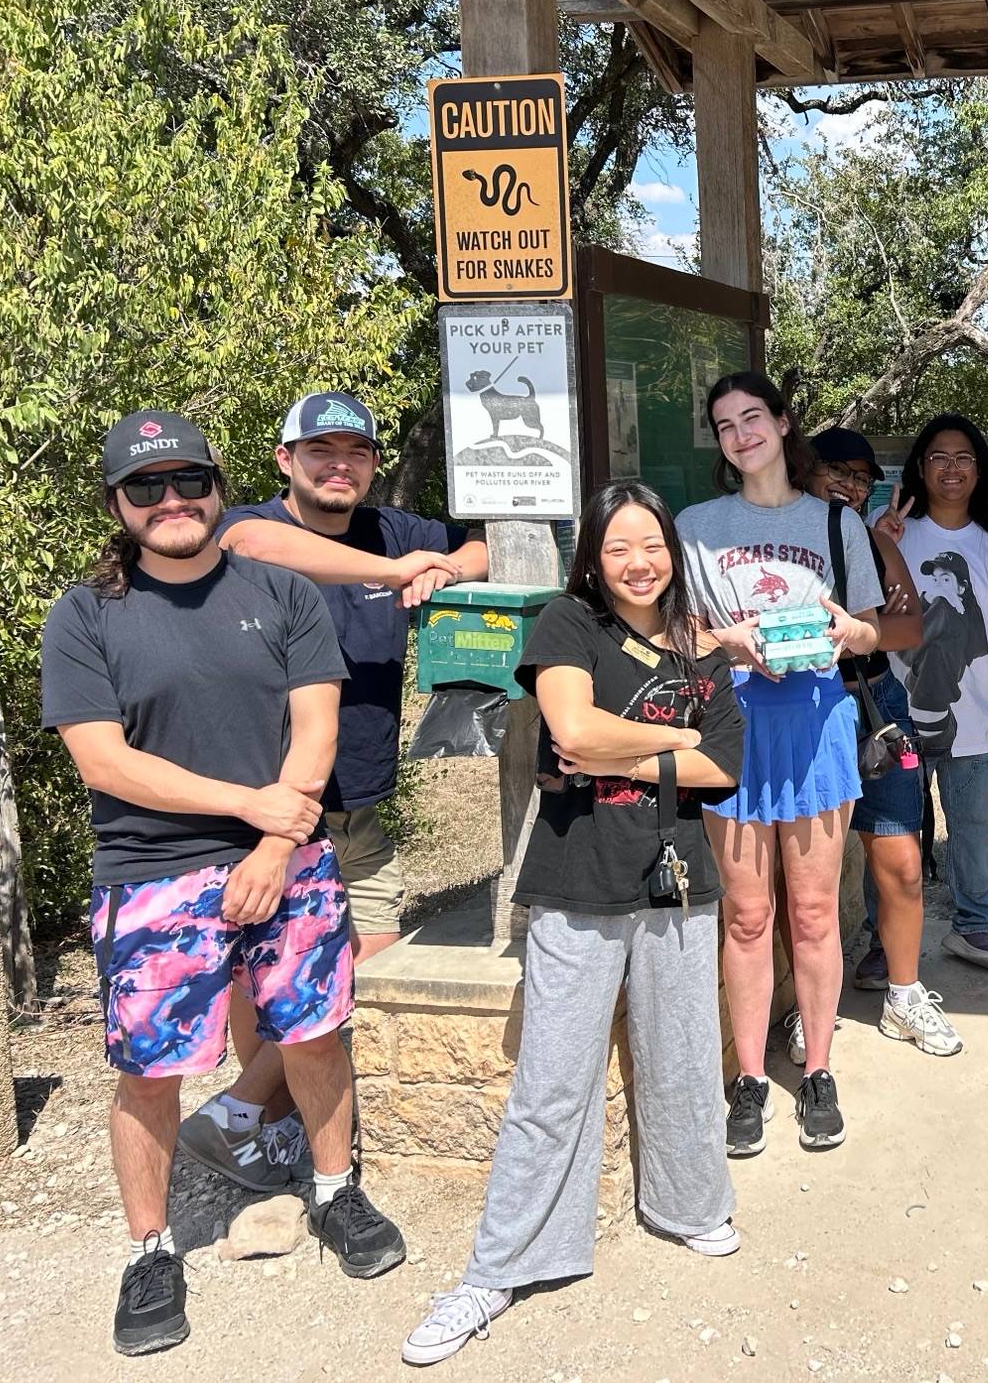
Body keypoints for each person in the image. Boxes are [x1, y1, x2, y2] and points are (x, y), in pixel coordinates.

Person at [41, 411, 406, 1358]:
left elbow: (317, 730)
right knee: (150, 1074)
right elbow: (104, 762)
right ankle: (150, 1251)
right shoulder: (86, 614)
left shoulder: (280, 591)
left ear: (216, 483)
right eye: (146, 488)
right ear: (118, 505)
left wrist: (274, 848)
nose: (172, 503)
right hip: (153, 875)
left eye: (188, 482)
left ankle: (334, 1191)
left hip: (291, 860)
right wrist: (252, 809)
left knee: (317, 1038)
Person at [402, 482, 744, 1366]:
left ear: (675, 551)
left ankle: (691, 1206)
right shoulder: (568, 624)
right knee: (553, 1080)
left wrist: (620, 743)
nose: (640, 562)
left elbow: (726, 764)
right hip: (576, 880)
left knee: (682, 1057)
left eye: (654, 544)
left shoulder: (703, 646)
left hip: (677, 880)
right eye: (619, 546)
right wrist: (674, 741)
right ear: (592, 555)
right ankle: (503, 1264)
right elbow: (571, 732)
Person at [177, 390, 486, 1193]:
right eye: (322, 452)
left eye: (356, 452)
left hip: (360, 806)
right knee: (268, 985)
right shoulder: (249, 528)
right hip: (273, 810)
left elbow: (490, 547)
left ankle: (244, 1115)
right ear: (286, 461)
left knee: (355, 975)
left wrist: (445, 566)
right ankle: (268, 1129)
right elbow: (253, 542)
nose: (339, 465)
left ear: (374, 464)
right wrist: (395, 573)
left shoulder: (395, 528)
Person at [676, 373, 885, 1156]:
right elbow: (679, 634)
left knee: (813, 912)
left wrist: (843, 632)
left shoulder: (836, 522)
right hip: (732, 729)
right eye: (725, 424)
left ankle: (820, 1069)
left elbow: (870, 632)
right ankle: (752, 1077)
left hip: (818, 722)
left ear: (782, 424)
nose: (741, 434)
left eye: (752, 417)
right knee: (747, 914)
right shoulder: (696, 526)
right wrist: (730, 644)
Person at [807, 426, 964, 1056]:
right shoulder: (784, 535)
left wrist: (850, 633)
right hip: (800, 708)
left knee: (899, 859)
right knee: (807, 875)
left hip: (875, 704)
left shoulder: (872, 540)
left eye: (860, 477)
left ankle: (904, 994)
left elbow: (908, 626)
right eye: (835, 472)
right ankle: (809, 1007)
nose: (848, 486)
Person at [873, 415, 988, 974]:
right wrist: (877, 539)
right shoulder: (889, 533)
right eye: (939, 457)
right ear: (920, 466)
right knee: (892, 834)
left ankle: (975, 926)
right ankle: (880, 940)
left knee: (974, 833)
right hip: (896, 716)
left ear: (979, 468)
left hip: (980, 719)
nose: (952, 468)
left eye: (964, 457)